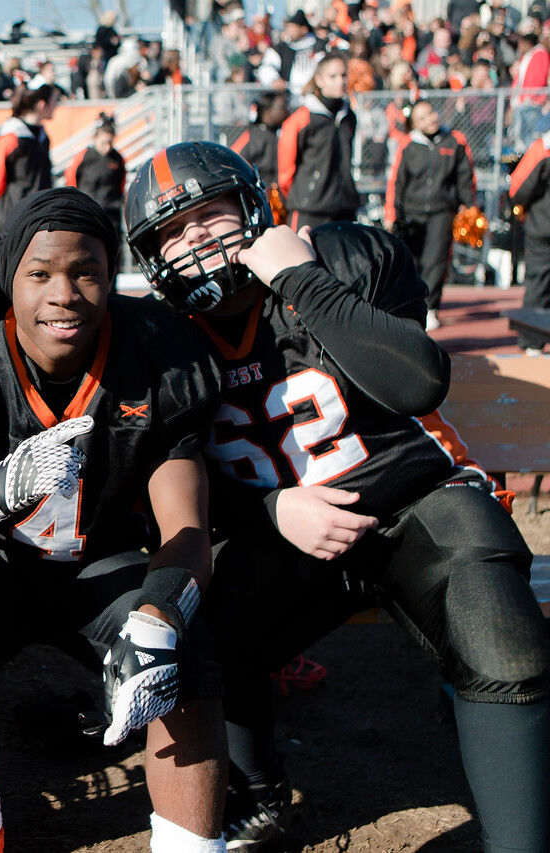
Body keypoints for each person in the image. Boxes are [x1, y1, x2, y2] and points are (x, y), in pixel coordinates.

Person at [122, 141, 549, 852]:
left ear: (253, 207)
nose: (193, 235)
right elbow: (165, 475)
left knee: (502, 638)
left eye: (209, 213)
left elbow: (418, 382)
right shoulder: (161, 336)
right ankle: (255, 789)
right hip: (281, 533)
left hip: (419, 502)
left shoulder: (347, 255)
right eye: (171, 229)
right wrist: (271, 508)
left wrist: (300, 279)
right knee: (196, 628)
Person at [0, 187, 227, 853]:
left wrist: (158, 618)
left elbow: (188, 531)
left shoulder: (155, 351)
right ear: (9, 278)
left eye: (86, 271)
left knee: (184, 649)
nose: (64, 293)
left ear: (111, 275)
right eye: (39, 274)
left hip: (104, 562)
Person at [385, 99, 475, 332]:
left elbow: (465, 177)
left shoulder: (455, 140)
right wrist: (392, 213)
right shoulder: (408, 145)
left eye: (431, 113)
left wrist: (469, 206)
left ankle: (431, 307)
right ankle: (410, 306)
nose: (431, 119)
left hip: (442, 211)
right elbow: (397, 182)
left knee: (436, 260)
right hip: (412, 212)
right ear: (414, 123)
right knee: (411, 260)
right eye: (422, 117)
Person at [277, 52, 358, 229]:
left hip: (344, 208)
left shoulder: (349, 116)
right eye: (333, 76)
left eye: (343, 75)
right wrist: (303, 195)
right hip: (309, 210)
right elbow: (286, 169)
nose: (340, 81)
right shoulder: (302, 118)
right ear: (319, 80)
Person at [0, 81, 57, 237]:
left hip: (40, 217)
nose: (56, 106)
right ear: (41, 105)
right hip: (13, 221)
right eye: (54, 101)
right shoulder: (11, 137)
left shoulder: (42, 137)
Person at [510, 127, 550, 355]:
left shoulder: (542, 149)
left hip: (542, 225)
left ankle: (532, 341)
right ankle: (533, 340)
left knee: (538, 283)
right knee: (538, 282)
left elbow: (519, 190)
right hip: (543, 228)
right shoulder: (542, 149)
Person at [64, 114, 126, 245]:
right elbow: (70, 179)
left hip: (111, 215)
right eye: (104, 143)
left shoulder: (118, 159)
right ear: (95, 138)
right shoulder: (83, 157)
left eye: (110, 142)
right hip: (87, 214)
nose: (107, 147)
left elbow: (121, 184)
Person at [229, 92, 288, 193]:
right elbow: (233, 161)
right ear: (267, 111)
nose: (286, 111)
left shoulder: (282, 133)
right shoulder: (251, 136)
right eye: (281, 107)